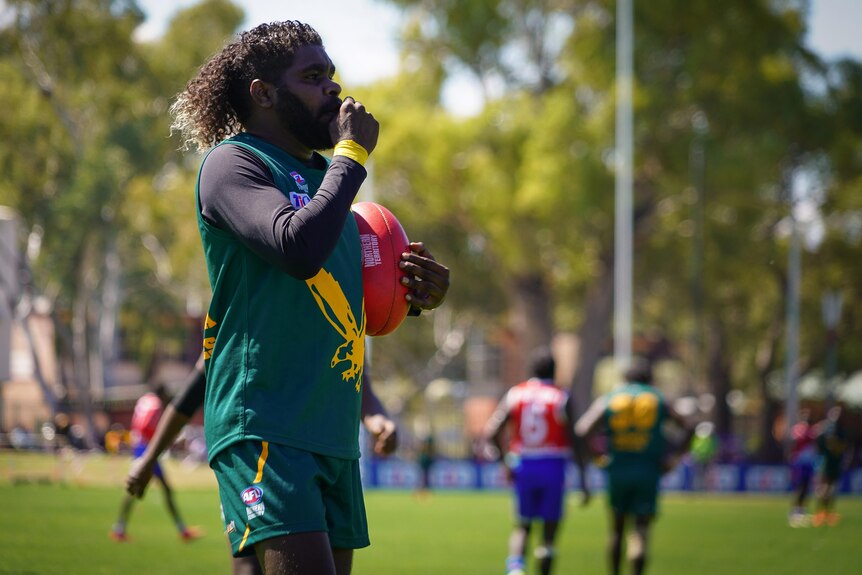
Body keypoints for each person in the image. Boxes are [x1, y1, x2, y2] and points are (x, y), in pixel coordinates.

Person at [169, 20, 450, 575]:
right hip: (266, 422)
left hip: (331, 430)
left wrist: (416, 294)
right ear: (263, 93)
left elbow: (345, 299)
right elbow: (296, 249)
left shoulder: (328, 182)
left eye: (332, 75)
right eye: (313, 77)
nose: (333, 88)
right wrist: (352, 154)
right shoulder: (234, 164)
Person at [125, 353, 398, 575]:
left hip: (335, 453)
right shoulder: (251, 305)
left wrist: (375, 416)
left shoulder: (347, 305)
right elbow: (196, 384)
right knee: (250, 567)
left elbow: (355, 371)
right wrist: (150, 456)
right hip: (265, 449)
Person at [574, 357, 693, 575]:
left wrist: (597, 457)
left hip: (618, 470)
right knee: (641, 530)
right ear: (649, 378)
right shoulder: (657, 399)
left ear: (625, 378)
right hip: (648, 470)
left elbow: (582, 430)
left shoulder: (611, 398)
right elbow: (690, 427)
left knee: (617, 530)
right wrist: (674, 459)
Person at [484, 347, 591, 575]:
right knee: (549, 532)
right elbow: (575, 440)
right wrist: (583, 479)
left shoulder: (516, 394)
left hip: (524, 465)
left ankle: (515, 569)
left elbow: (491, 432)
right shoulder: (561, 396)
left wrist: (505, 462)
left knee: (523, 525)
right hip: (553, 466)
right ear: (554, 370)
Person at [111, 384, 200, 542]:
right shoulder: (156, 405)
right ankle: (182, 530)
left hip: (139, 446)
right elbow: (147, 426)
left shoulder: (144, 400)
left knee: (139, 486)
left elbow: (137, 424)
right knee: (149, 488)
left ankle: (120, 528)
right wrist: (160, 442)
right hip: (147, 449)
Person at [811, 404, 849, 527]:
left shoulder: (841, 430)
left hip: (836, 463)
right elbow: (818, 443)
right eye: (835, 413)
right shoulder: (824, 428)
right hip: (825, 462)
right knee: (823, 487)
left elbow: (844, 446)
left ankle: (828, 512)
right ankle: (820, 512)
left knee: (832, 488)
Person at [787, 408, 817, 527]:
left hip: (808, 463)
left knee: (806, 487)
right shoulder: (798, 429)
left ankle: (802, 510)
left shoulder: (810, 430)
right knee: (799, 487)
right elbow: (797, 441)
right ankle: (795, 511)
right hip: (799, 463)